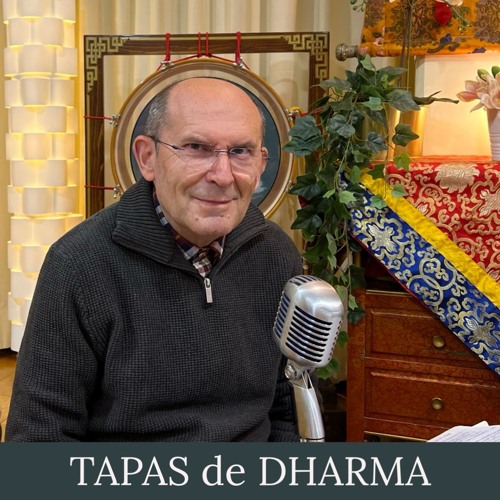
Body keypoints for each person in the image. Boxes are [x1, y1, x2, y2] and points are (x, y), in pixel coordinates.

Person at [5, 77, 304, 441]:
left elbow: (290, 408)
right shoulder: (78, 265)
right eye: (196, 147)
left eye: (240, 151)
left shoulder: (276, 256)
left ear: (261, 164)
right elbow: (39, 439)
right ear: (147, 157)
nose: (223, 175)